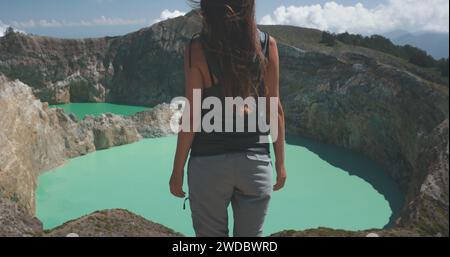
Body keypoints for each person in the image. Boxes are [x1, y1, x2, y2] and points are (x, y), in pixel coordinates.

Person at [170, 0, 286, 237]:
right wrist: (281, 164)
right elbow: (275, 111)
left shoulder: (197, 49)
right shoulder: (267, 45)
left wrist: (177, 170)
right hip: (255, 166)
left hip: (208, 167)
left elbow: (191, 116)